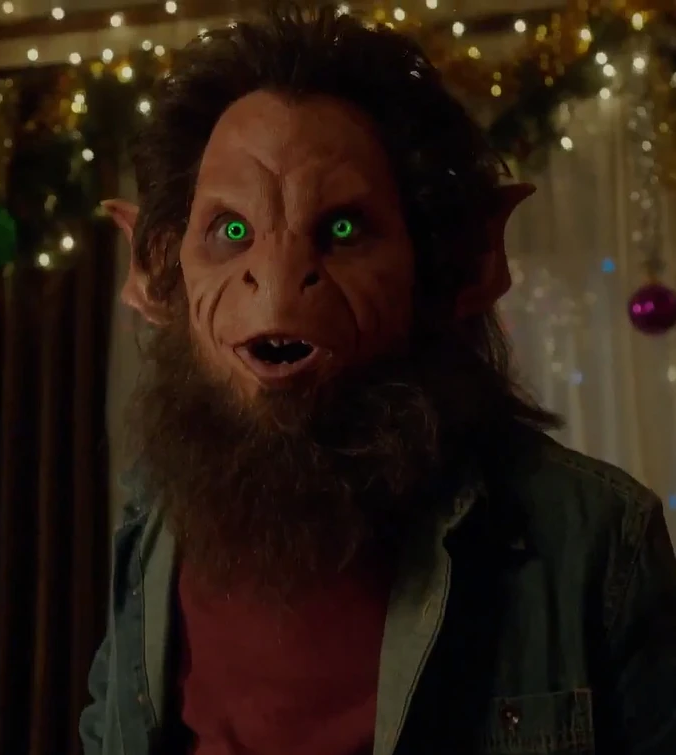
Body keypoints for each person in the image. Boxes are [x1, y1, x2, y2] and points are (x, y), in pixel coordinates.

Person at [82, 5, 676, 754]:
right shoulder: (152, 521)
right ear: (155, 273)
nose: (277, 274)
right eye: (230, 230)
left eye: (341, 229)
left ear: (460, 265)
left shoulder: (594, 544)